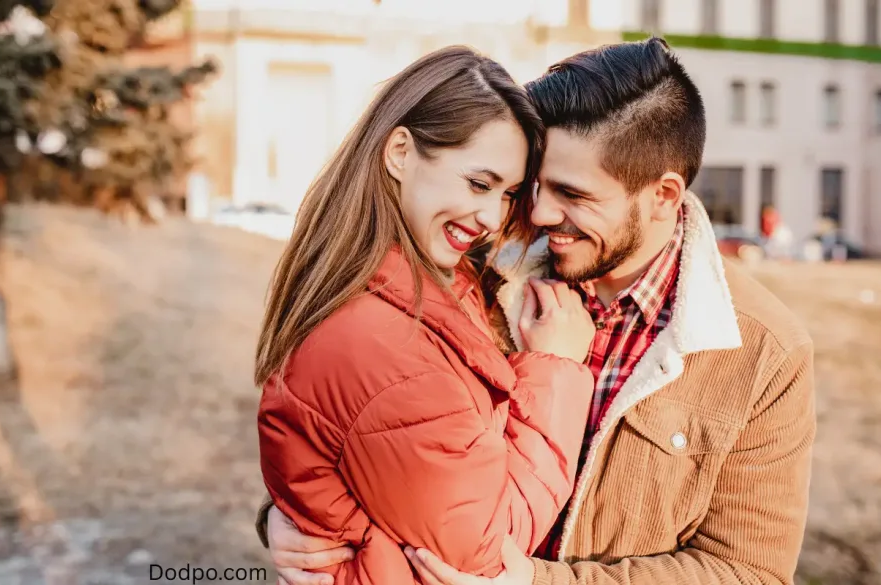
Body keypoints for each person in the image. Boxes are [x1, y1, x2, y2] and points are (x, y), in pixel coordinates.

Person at [261, 38, 816, 585]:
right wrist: (299, 513)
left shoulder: (763, 352)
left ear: (663, 196)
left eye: (573, 194)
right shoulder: (474, 267)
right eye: (532, 186)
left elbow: (749, 572)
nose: (541, 214)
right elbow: (372, 428)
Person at [254, 46, 600, 585]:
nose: (491, 216)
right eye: (478, 183)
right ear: (399, 152)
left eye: (508, 194)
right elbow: (485, 555)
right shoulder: (385, 346)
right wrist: (554, 368)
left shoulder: (435, 284)